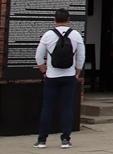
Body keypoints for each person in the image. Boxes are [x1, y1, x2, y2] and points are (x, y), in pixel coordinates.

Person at [34, 8, 85, 149]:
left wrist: (44, 72)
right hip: (69, 76)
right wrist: (77, 73)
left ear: (54, 20)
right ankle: (65, 140)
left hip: (52, 77)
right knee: (67, 107)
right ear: (68, 20)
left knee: (47, 107)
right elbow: (81, 56)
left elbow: (38, 56)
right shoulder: (75, 35)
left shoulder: (48, 35)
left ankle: (42, 140)